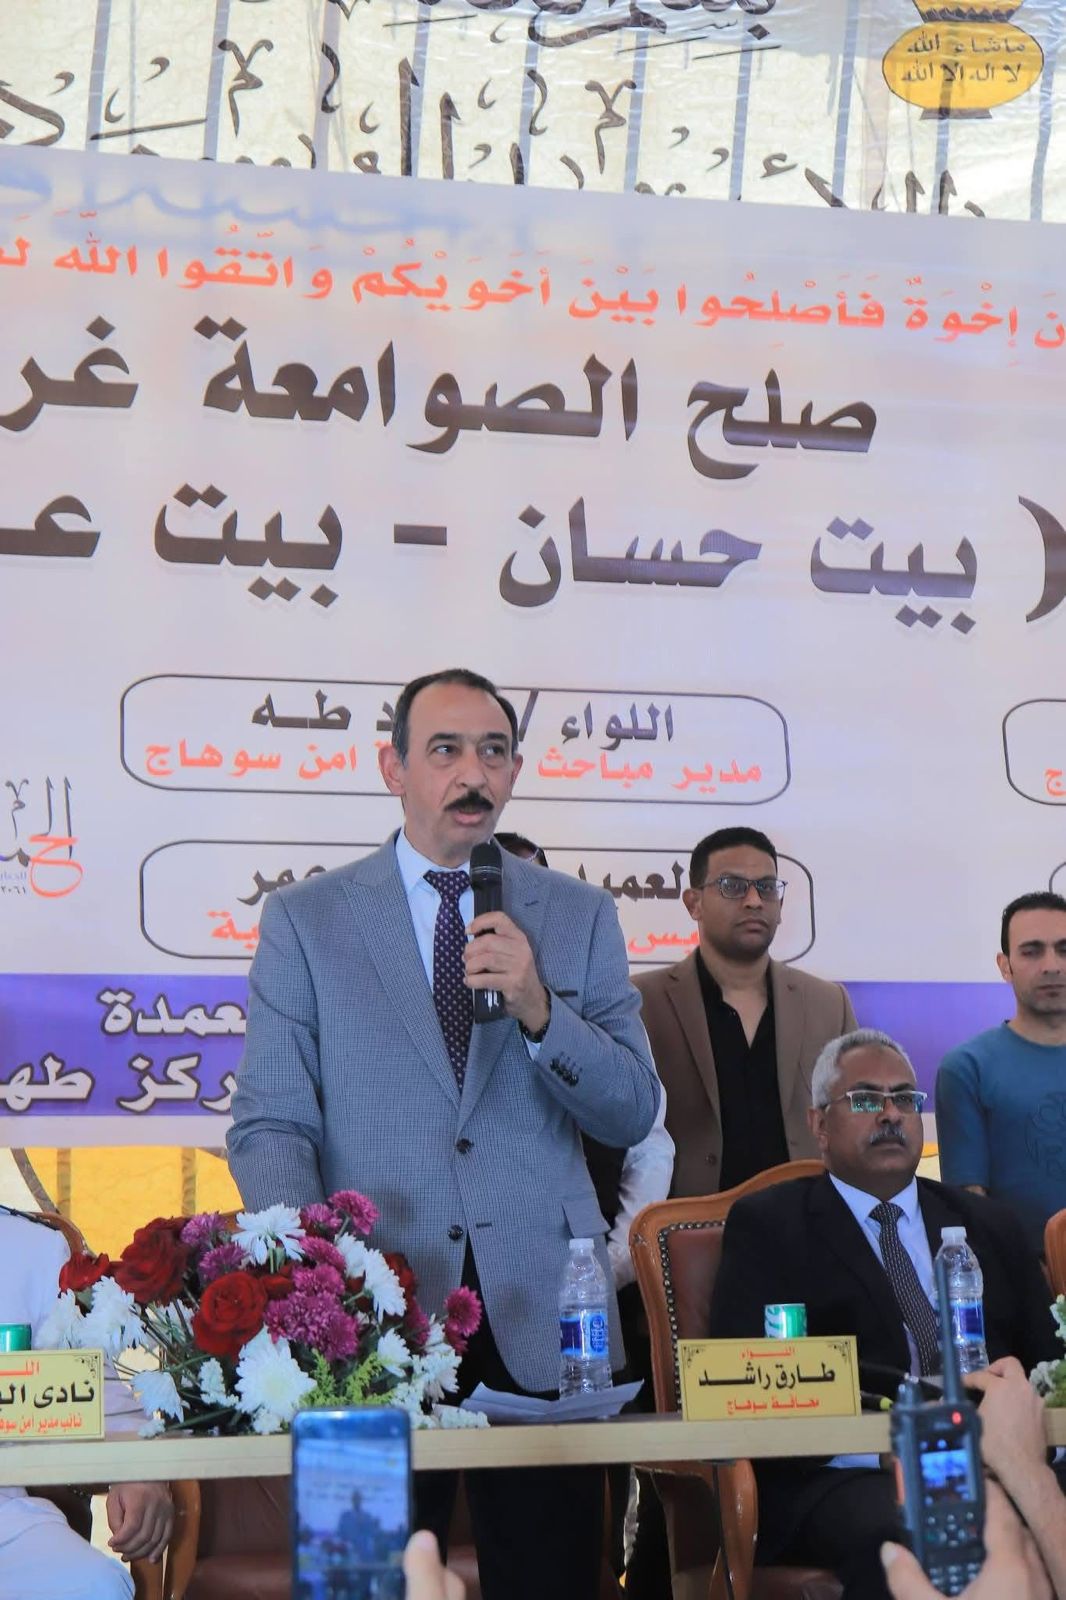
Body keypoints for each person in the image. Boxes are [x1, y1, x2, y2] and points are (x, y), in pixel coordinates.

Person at [227, 667, 660, 1600]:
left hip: (545, 1315)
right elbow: (271, 1123)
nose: (474, 773)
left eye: (494, 752)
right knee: (363, 1581)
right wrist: (325, 1281)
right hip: (371, 1318)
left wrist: (542, 1009)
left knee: (550, 1582)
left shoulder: (578, 915)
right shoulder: (307, 921)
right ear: (393, 768)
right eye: (447, 750)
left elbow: (631, 1109)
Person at [707, 1028, 1058, 1600]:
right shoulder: (770, 1227)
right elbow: (743, 1380)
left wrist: (1031, 1448)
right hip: (851, 1472)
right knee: (920, 1524)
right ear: (819, 1124)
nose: (891, 1114)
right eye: (867, 1099)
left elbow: (1049, 1362)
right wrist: (889, 1445)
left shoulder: (987, 1224)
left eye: (904, 1099)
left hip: (998, 1452)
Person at [634, 826, 857, 1198]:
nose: (754, 901)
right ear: (693, 903)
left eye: (767, 887)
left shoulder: (828, 1003)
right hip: (687, 1219)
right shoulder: (642, 1002)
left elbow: (853, 1120)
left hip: (808, 1216)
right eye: (733, 886)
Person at [0, 1207, 172, 1600]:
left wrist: (141, 1471)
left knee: (96, 1586)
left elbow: (95, 1398)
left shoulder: (30, 1247)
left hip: (7, 1528)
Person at [936, 891, 1066, 1256]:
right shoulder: (967, 1068)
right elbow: (970, 1204)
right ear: (1005, 965)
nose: (1052, 965)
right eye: (1032, 951)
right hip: (1023, 1278)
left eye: (1064, 949)